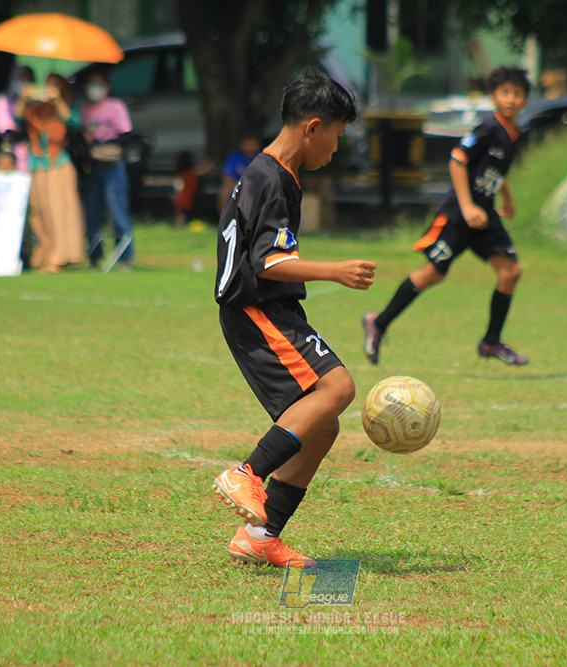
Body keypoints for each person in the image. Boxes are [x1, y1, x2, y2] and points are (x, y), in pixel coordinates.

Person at [211, 68, 374, 568]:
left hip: (267, 309)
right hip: (257, 309)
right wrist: (335, 270)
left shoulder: (272, 172)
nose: (336, 148)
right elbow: (268, 262)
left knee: (322, 425)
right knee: (339, 390)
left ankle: (261, 535)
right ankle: (247, 472)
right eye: (337, 136)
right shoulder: (273, 178)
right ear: (313, 127)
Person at [362, 66, 532, 367]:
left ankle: (491, 342)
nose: (511, 99)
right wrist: (467, 206)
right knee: (432, 274)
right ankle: (378, 322)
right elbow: (457, 160)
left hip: (485, 217)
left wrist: (507, 198)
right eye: (505, 92)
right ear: (493, 96)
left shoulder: (514, 135)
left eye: (518, 93)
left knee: (511, 271)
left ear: (526, 100)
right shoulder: (488, 128)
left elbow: (496, 171)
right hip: (458, 214)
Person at [16, 73, 86, 273]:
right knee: (38, 212)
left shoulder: (66, 106)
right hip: (37, 164)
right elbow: (18, 119)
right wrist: (24, 98)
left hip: (58, 164)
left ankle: (61, 256)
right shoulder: (34, 109)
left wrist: (58, 101)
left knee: (58, 211)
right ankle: (43, 255)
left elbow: (73, 123)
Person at [79, 69, 135, 270]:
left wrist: (107, 143)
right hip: (93, 165)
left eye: (99, 84)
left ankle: (125, 256)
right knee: (92, 210)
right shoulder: (84, 110)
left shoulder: (115, 106)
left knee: (117, 208)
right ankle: (95, 254)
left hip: (112, 164)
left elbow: (125, 134)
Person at [0, 66, 36, 172]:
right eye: (21, 78)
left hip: (33, 153)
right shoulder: (4, 101)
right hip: (14, 152)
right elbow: (6, 128)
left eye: (28, 78)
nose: (24, 83)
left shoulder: (36, 103)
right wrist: (22, 102)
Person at [218, 134, 262, 213]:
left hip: (260, 188)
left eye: (253, 145)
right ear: (242, 146)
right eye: (247, 145)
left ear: (258, 145)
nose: (250, 148)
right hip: (239, 188)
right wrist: (243, 188)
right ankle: (225, 222)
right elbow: (227, 179)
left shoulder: (264, 157)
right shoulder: (234, 157)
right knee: (224, 192)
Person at [173, 151, 200, 228]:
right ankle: (178, 227)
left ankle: (178, 226)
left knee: (181, 213)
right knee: (182, 213)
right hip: (186, 198)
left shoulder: (183, 174)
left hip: (182, 198)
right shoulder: (191, 173)